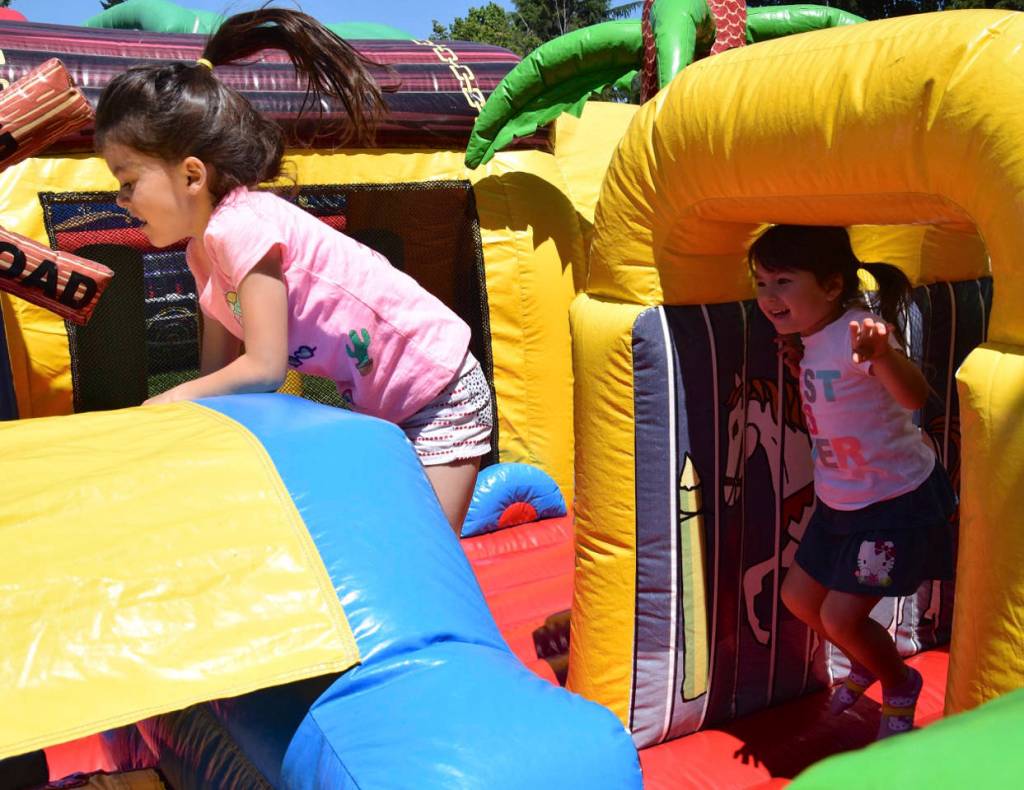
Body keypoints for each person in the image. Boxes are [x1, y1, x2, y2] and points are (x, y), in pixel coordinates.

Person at [93, 9, 491, 533]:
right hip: (382, 404)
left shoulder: (242, 226)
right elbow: (218, 373)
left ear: (191, 174)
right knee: (382, 538)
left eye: (127, 182)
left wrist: (168, 398)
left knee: (424, 552)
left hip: (437, 391)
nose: (120, 200)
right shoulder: (202, 252)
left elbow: (263, 368)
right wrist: (192, 420)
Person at [749, 225, 956, 739]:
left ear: (832, 285)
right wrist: (803, 362)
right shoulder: (813, 338)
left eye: (783, 281)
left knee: (841, 619)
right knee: (799, 600)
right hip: (841, 501)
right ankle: (869, 660)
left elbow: (912, 398)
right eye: (760, 283)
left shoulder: (857, 331)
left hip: (893, 501)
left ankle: (899, 681)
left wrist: (884, 355)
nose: (769, 296)